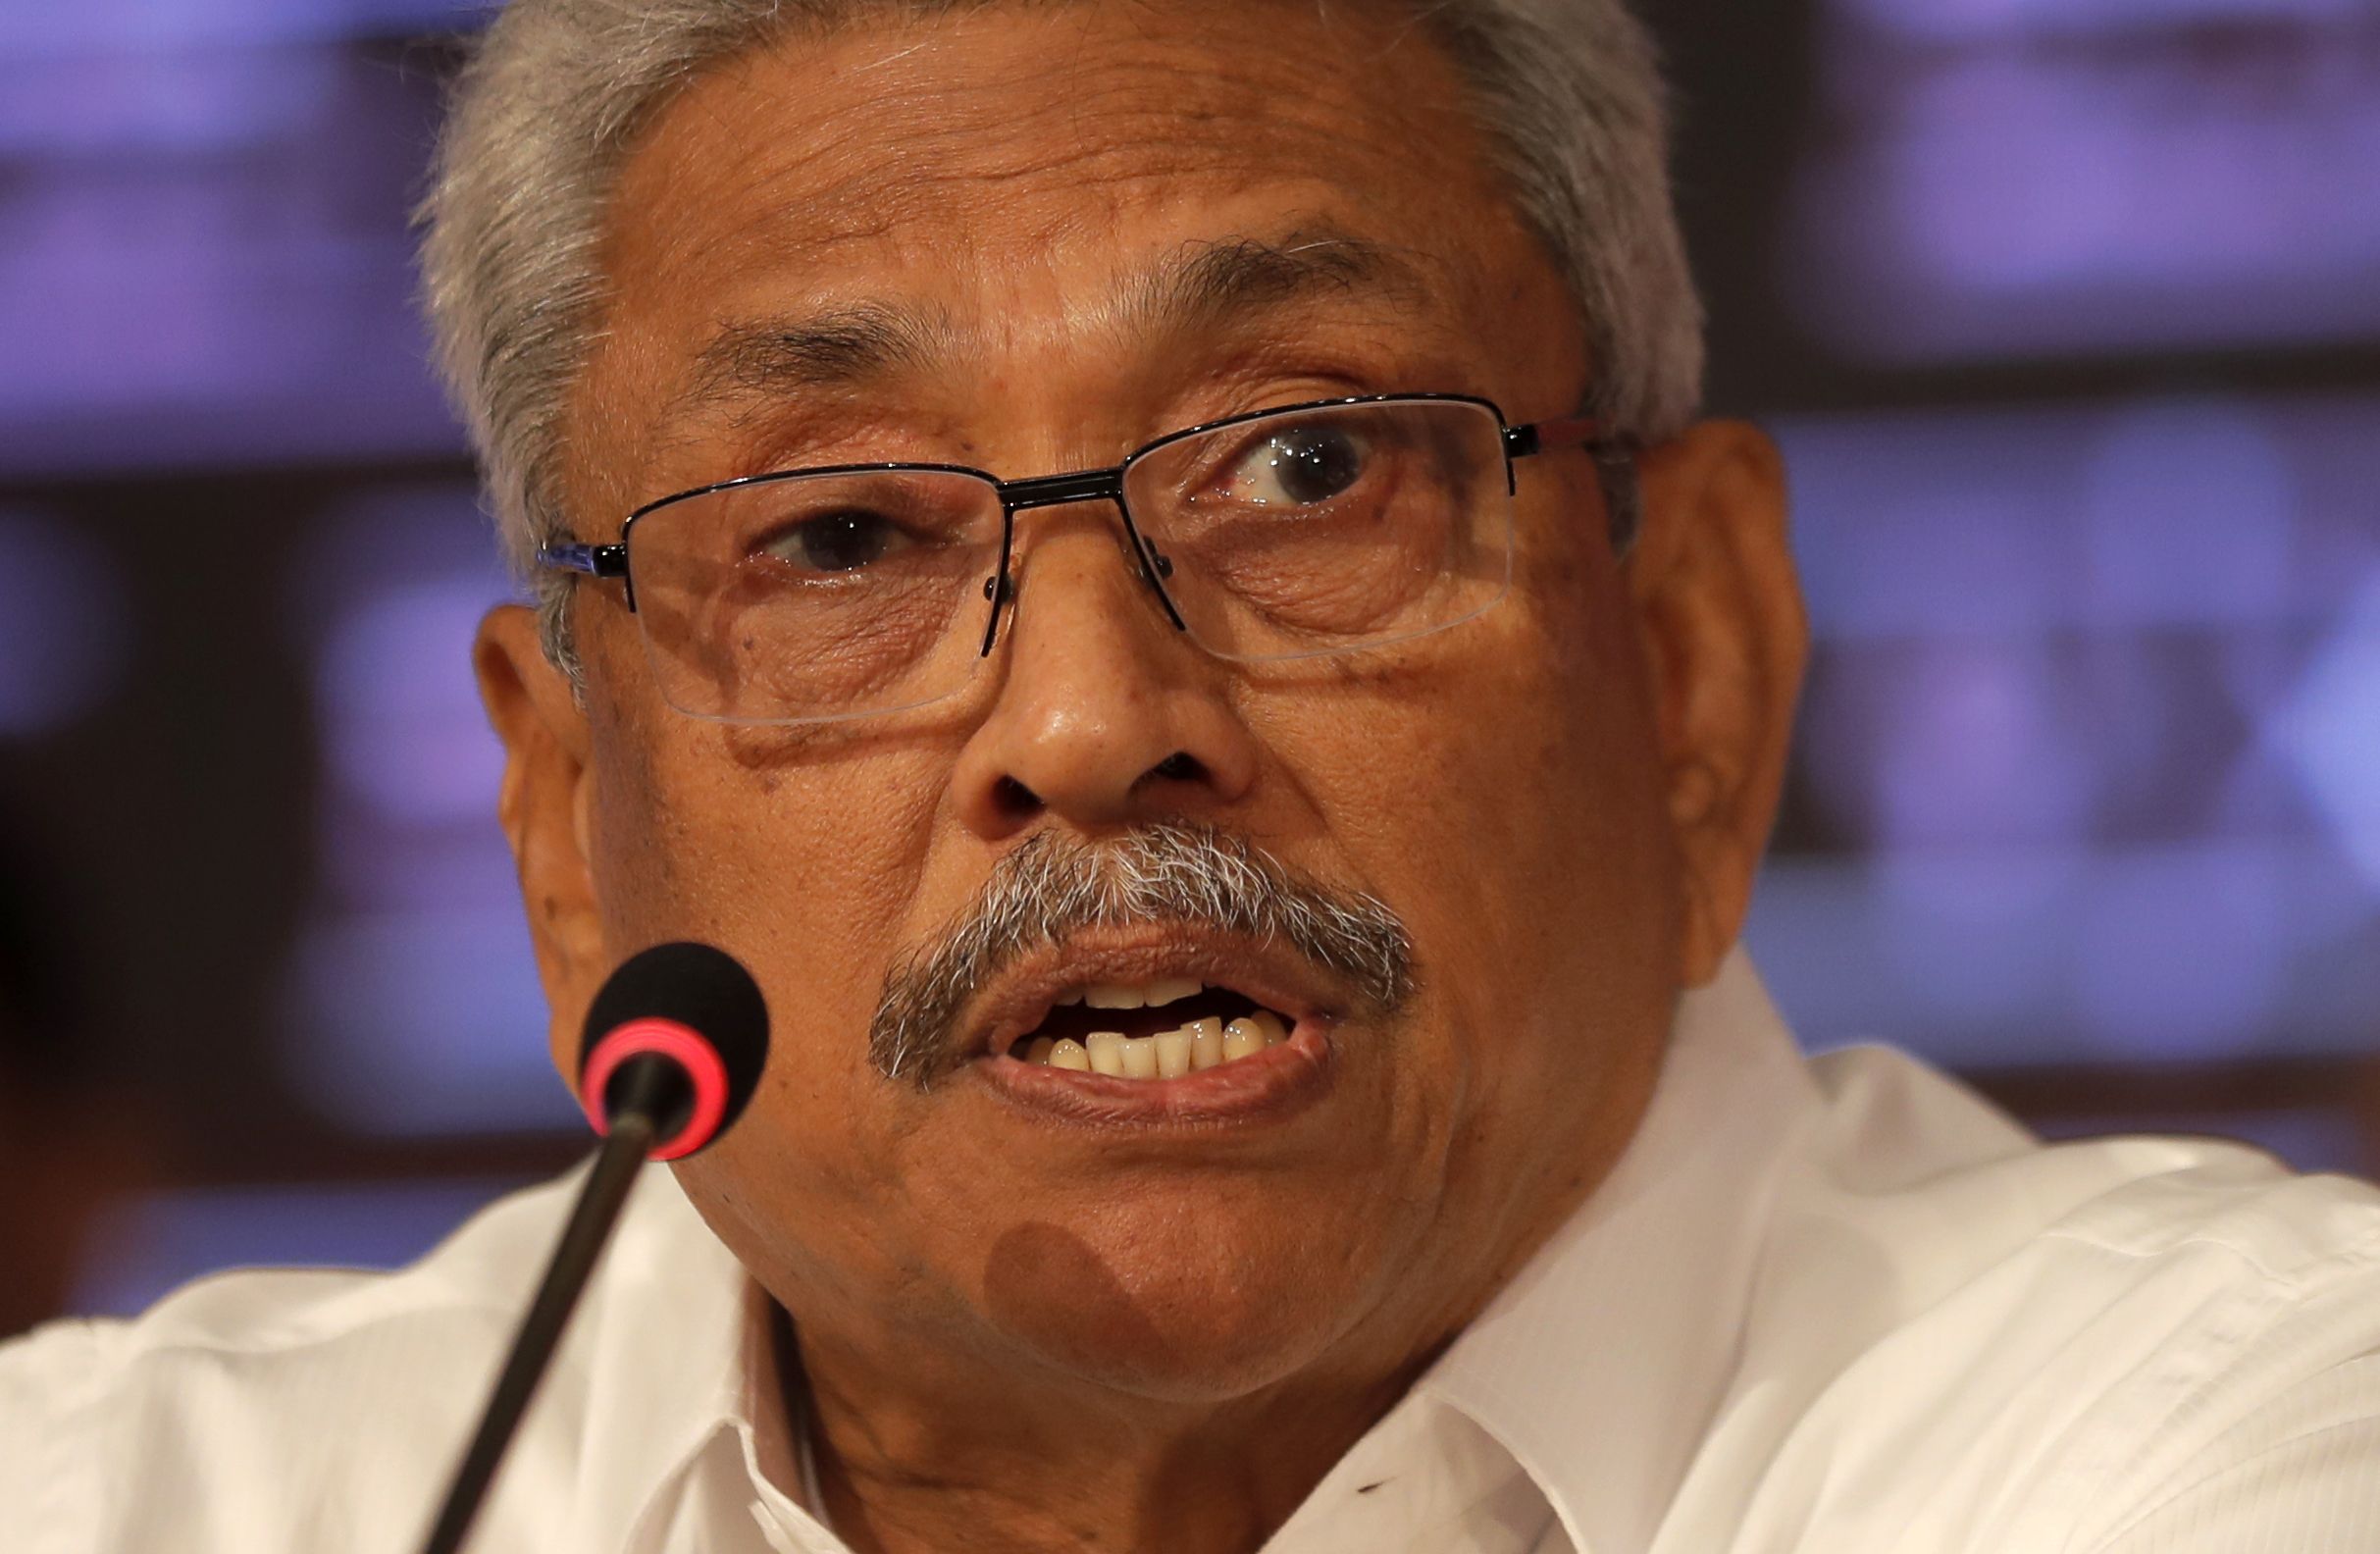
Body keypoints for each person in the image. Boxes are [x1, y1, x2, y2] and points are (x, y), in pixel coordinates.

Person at [5, 1, 2377, 1549]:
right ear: (562, 843)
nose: (1086, 720)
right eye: (838, 537)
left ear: (1691, 666)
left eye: (1308, 465)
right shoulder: (126, 1506)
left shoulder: (2216, 1435)